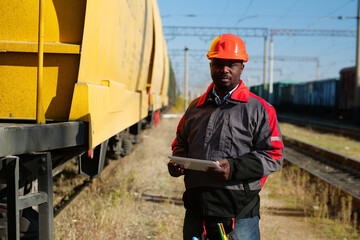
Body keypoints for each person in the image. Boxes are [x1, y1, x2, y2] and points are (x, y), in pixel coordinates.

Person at [167, 34, 284, 240]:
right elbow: (181, 140)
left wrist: (234, 167)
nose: (224, 69)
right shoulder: (196, 107)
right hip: (197, 209)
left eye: (231, 64)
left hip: (238, 215)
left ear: (242, 68)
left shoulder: (260, 109)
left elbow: (273, 156)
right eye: (218, 63)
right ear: (211, 65)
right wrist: (179, 160)